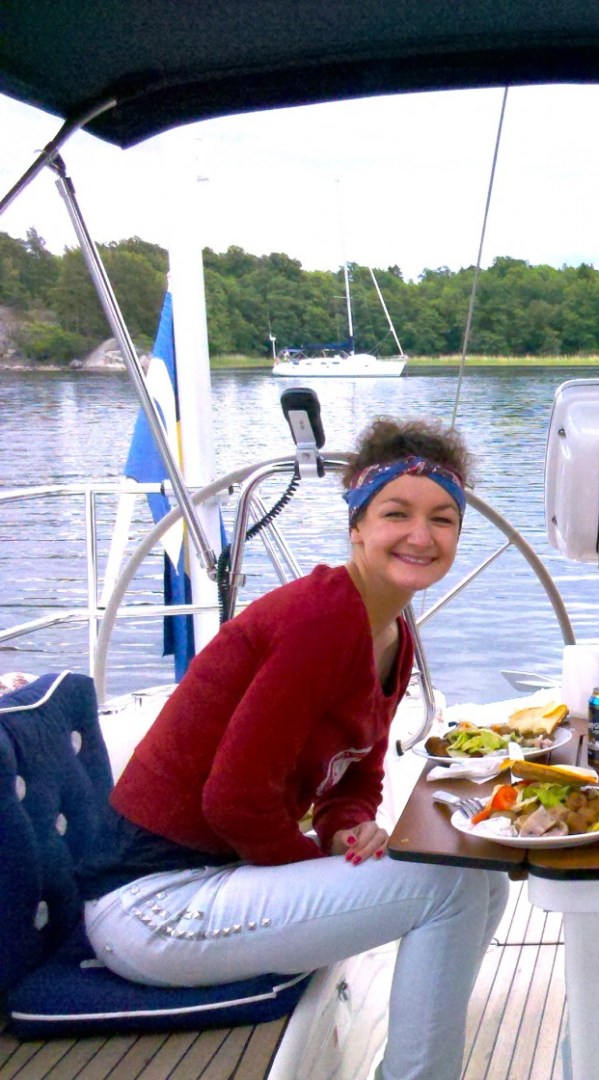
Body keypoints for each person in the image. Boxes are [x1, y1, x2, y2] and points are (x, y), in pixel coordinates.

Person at [79, 418, 509, 1080]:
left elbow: (358, 776)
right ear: (357, 525)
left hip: (218, 878)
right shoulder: (320, 619)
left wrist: (344, 828)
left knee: (481, 878)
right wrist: (315, 865)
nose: (421, 536)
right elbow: (233, 799)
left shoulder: (390, 632)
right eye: (397, 513)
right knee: (447, 885)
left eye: (442, 519)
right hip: (151, 907)